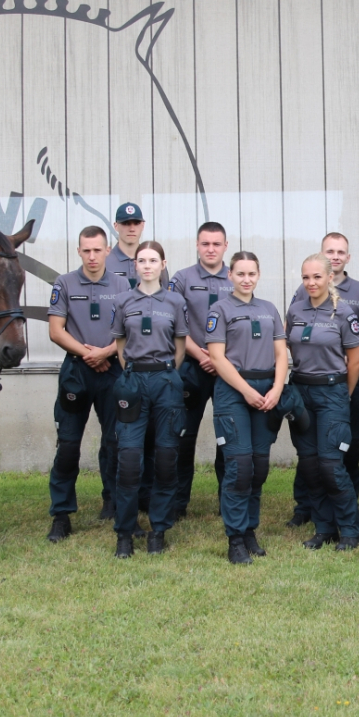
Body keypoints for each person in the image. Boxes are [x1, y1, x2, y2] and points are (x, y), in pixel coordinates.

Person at [207, 251, 307, 565]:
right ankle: (235, 539)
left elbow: (281, 354)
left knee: (259, 467)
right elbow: (217, 357)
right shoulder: (219, 310)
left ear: (258, 275)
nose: (246, 279)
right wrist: (247, 391)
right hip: (234, 392)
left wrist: (276, 389)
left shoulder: (268, 309)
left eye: (252, 274)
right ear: (230, 275)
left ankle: (250, 530)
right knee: (239, 467)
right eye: (240, 273)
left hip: (267, 394)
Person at [286, 232, 359, 525]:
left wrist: (346, 362)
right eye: (330, 251)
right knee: (310, 457)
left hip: (340, 382)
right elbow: (288, 340)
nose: (311, 282)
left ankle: (347, 516)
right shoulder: (300, 299)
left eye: (340, 252)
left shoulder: (358, 294)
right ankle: (310, 512)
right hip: (305, 385)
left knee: (339, 451)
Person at [45, 226, 128, 541]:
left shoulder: (122, 284)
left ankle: (114, 502)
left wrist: (105, 352)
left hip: (113, 370)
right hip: (77, 372)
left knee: (115, 442)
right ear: (78, 251)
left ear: (107, 250)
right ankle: (61, 514)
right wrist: (88, 354)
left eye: (97, 250)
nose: (92, 256)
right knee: (68, 445)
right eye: (86, 250)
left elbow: (129, 329)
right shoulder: (64, 283)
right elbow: (56, 331)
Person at [108, 242, 188, 558]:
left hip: (166, 381)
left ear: (163, 264)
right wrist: (133, 373)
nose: (147, 265)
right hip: (133, 382)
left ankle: (159, 530)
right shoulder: (123, 301)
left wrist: (166, 373)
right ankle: (125, 533)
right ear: (135, 265)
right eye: (141, 260)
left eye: (153, 260)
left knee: (166, 459)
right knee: (129, 461)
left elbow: (180, 346)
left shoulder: (175, 301)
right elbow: (120, 344)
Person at [167, 222, 234, 519]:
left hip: (226, 370)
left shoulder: (236, 276)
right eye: (205, 243)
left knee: (228, 436)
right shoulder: (181, 279)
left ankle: (227, 500)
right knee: (183, 437)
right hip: (191, 368)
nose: (210, 249)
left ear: (225, 246)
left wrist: (220, 360)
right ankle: (178, 503)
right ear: (197, 245)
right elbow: (173, 325)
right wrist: (201, 353)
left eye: (216, 244)